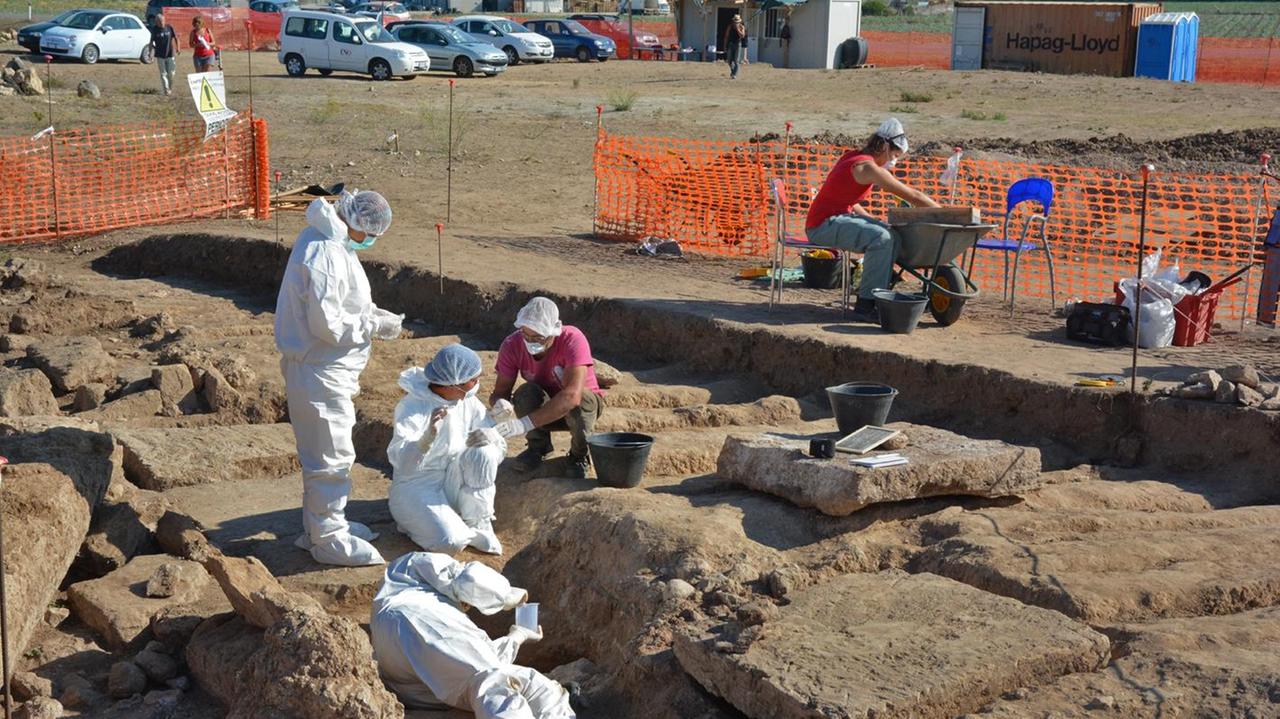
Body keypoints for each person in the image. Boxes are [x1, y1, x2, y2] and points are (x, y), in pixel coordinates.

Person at [275, 189, 404, 567]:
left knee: (322, 454)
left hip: (324, 370)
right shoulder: (326, 253)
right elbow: (328, 325)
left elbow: (342, 303)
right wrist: (372, 325)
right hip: (320, 372)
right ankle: (328, 539)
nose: (370, 242)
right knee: (331, 458)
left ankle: (321, 526)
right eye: (370, 235)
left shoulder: (329, 240)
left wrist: (372, 314)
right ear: (356, 223)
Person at [370, 552, 575, 718]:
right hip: (420, 621)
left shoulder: (390, 601)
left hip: (416, 679)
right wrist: (506, 596)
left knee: (502, 680)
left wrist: (517, 636)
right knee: (503, 684)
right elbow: (467, 578)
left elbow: (472, 662)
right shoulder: (415, 572)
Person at [805, 118, 941, 322]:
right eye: (895, 155)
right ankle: (866, 305)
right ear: (884, 146)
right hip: (821, 225)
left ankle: (881, 291)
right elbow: (913, 196)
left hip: (834, 218)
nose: (894, 161)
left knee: (889, 233)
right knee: (882, 238)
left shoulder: (855, 157)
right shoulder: (866, 167)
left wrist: (870, 219)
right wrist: (944, 212)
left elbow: (845, 199)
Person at [387, 344, 506, 556]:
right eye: (473, 379)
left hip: (452, 477)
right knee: (450, 542)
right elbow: (402, 463)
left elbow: (495, 453)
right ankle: (418, 523)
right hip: (417, 486)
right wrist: (426, 440)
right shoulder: (412, 407)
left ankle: (478, 522)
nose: (477, 384)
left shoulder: (467, 400)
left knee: (483, 450)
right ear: (453, 383)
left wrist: (494, 430)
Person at [487, 298, 603, 480]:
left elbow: (572, 396)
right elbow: (499, 392)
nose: (531, 342)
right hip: (545, 405)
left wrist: (523, 424)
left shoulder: (572, 339)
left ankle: (579, 455)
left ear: (554, 332)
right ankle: (537, 447)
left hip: (582, 410)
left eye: (539, 338)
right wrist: (500, 404)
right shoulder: (512, 345)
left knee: (582, 398)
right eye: (526, 335)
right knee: (525, 393)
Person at [149, 12, 180, 95]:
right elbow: (151, 42)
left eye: (162, 21)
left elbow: (176, 38)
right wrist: (150, 53)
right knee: (163, 73)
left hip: (170, 53)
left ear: (164, 20)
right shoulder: (155, 30)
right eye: (159, 21)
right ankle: (166, 90)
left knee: (171, 73)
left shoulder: (169, 27)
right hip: (160, 55)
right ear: (156, 22)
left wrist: (178, 48)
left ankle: (170, 87)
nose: (161, 23)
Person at [723, 14, 746, 79]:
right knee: (729, 60)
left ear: (739, 22)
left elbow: (742, 36)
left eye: (737, 22)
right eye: (735, 22)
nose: (736, 23)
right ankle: (733, 71)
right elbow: (726, 37)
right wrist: (724, 46)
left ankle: (734, 74)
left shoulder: (742, 27)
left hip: (738, 44)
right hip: (730, 44)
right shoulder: (730, 26)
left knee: (736, 60)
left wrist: (738, 29)